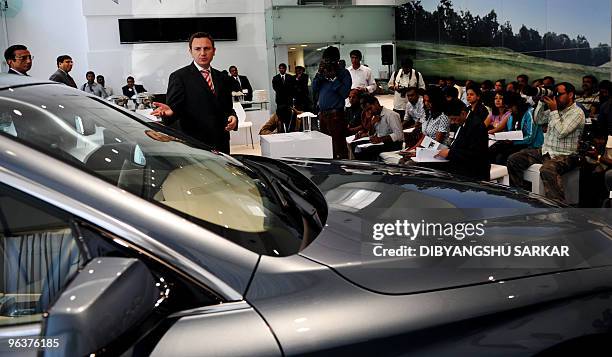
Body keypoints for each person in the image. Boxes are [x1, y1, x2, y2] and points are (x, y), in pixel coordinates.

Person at [151, 32, 237, 154]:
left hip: (222, 143)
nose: (202, 53)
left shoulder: (222, 77)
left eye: (207, 48)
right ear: (190, 51)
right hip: (195, 144)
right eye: (197, 49)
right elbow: (174, 112)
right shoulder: (179, 77)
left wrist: (233, 117)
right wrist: (169, 113)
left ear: (214, 50)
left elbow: (227, 108)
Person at [507, 82, 585, 201]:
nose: (556, 97)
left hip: (567, 155)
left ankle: (557, 209)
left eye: (559, 94)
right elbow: (538, 120)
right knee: (514, 159)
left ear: (570, 95)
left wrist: (553, 110)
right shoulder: (556, 109)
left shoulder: (577, 113)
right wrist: (541, 102)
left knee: (547, 169)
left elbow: (561, 132)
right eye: (556, 94)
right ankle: (521, 198)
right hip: (546, 151)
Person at [312, 46, 352, 159]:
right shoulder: (323, 73)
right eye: (325, 60)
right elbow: (314, 89)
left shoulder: (343, 73)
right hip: (323, 114)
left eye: (330, 60)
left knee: (338, 145)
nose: (327, 63)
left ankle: (343, 170)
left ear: (337, 61)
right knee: (327, 145)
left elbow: (345, 94)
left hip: (336, 115)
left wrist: (334, 79)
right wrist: (319, 74)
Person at [434, 102, 490, 181]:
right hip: (459, 162)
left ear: (463, 113)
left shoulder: (476, 125)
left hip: (473, 170)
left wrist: (450, 153)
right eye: (450, 119)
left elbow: (475, 154)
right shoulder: (462, 122)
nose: (452, 122)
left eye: (454, 119)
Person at [488, 93, 543, 165]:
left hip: (530, 146)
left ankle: (505, 174)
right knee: (491, 150)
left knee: (502, 157)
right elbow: (510, 132)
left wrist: (513, 142)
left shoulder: (530, 113)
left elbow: (530, 137)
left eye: (511, 107)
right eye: (508, 108)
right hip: (514, 144)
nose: (510, 110)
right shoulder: (512, 115)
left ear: (517, 104)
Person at [352, 94, 403, 161]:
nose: (369, 112)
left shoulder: (391, 115)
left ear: (376, 103)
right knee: (355, 145)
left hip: (393, 144)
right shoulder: (374, 116)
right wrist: (372, 124)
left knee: (366, 151)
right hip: (380, 142)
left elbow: (399, 135)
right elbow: (372, 134)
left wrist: (380, 139)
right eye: (367, 111)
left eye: (370, 108)